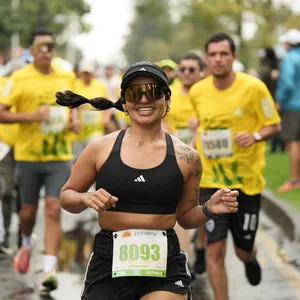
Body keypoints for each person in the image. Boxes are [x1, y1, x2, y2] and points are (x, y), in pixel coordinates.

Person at [55, 61, 239, 300]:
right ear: (125, 102)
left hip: (165, 264)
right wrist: (85, 197)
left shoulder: (187, 157)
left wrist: (208, 209)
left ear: (167, 99)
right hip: (109, 260)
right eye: (134, 93)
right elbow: (66, 196)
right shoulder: (100, 149)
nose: (144, 100)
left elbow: (185, 217)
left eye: (152, 92)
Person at [189, 33, 281, 300]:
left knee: (241, 249)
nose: (218, 59)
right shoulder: (198, 91)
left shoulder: (254, 88)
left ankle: (249, 258)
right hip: (210, 182)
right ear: (207, 58)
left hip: (246, 182)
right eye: (213, 54)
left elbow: (274, 125)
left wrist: (255, 136)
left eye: (223, 54)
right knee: (215, 249)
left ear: (234, 57)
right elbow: (201, 128)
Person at [0, 29, 79, 295]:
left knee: (54, 209)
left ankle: (49, 268)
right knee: (28, 213)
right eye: (41, 47)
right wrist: (32, 116)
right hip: (28, 156)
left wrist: (75, 118)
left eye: (50, 46)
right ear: (31, 51)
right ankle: (25, 241)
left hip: (58, 156)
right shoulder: (18, 78)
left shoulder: (66, 76)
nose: (46, 51)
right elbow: (1, 114)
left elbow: (73, 105)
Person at [164, 52, 207, 276]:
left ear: (201, 71)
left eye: (192, 69)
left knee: (198, 208)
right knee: (182, 208)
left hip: (204, 159)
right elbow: (163, 119)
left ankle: (200, 248)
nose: (187, 74)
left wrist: (198, 130)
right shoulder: (171, 94)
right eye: (183, 69)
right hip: (176, 158)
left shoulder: (206, 94)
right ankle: (185, 259)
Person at [276, 29, 300, 192]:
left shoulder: (290, 59)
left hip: (293, 106)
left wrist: (279, 101)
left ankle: (294, 180)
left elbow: (287, 83)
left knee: (293, 142)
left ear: (288, 44)